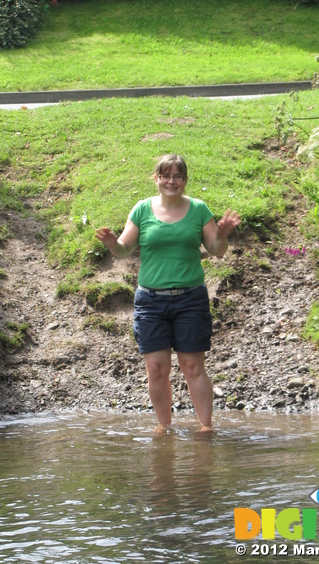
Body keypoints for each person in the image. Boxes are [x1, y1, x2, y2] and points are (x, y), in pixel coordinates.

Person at [95, 154, 240, 432]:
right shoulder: (141, 209)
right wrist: (113, 243)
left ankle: (206, 428)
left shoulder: (199, 209)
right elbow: (124, 249)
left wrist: (222, 234)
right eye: (165, 175)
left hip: (190, 298)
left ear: (185, 181)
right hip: (150, 301)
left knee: (192, 366)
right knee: (157, 369)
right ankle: (165, 427)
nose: (171, 181)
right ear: (156, 179)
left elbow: (216, 250)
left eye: (177, 176)